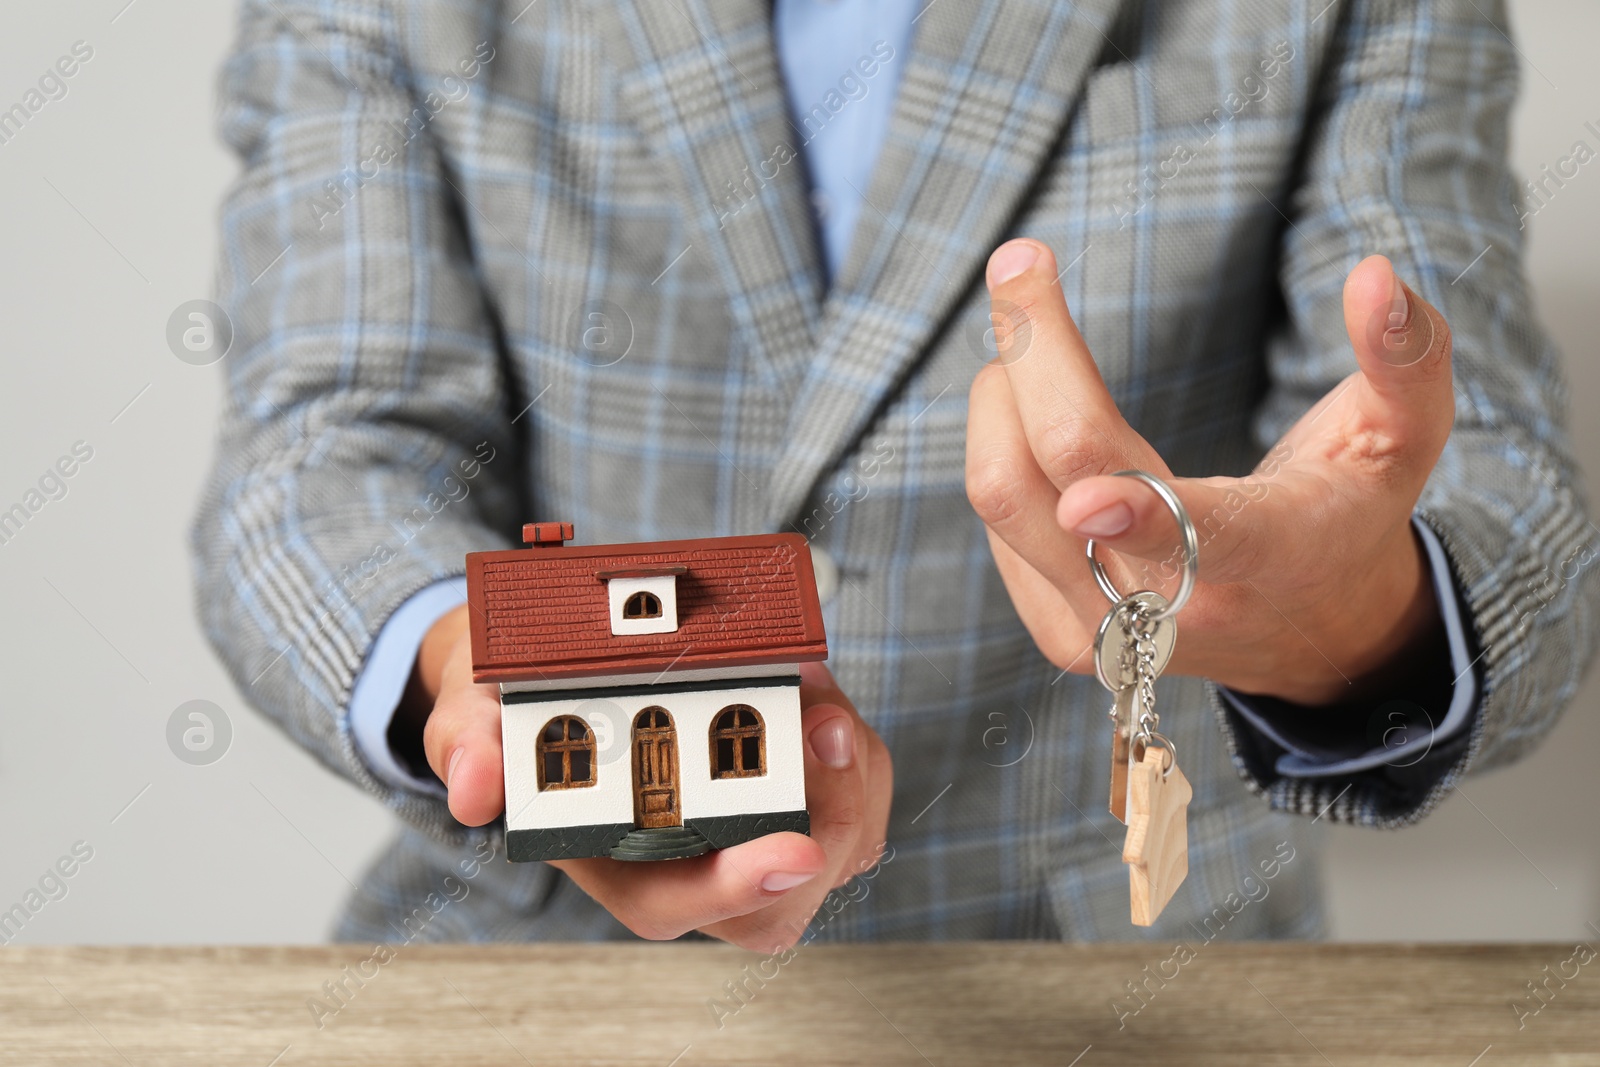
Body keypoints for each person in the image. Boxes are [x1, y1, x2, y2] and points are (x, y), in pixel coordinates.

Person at [193, 0, 1595, 948]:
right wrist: (466, 668)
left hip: (1126, 965)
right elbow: (318, 453)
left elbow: (1508, 495)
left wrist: (1363, 615)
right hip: (527, 954)